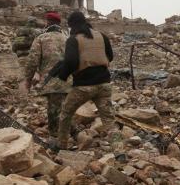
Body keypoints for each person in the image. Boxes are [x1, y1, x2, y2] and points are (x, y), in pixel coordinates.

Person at [52, 11, 122, 151]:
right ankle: (119, 150)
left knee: (66, 113)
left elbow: (70, 61)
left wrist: (63, 76)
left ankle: (61, 145)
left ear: (72, 25)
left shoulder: (74, 39)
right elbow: (110, 56)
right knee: (109, 120)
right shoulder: (101, 36)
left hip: (83, 87)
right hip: (104, 84)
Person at [23, 12, 69, 135]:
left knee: (54, 110)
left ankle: (55, 138)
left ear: (48, 22)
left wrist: (27, 80)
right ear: (59, 24)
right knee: (66, 108)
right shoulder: (68, 38)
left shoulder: (41, 38)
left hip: (52, 80)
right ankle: (70, 132)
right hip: (69, 80)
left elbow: (33, 60)